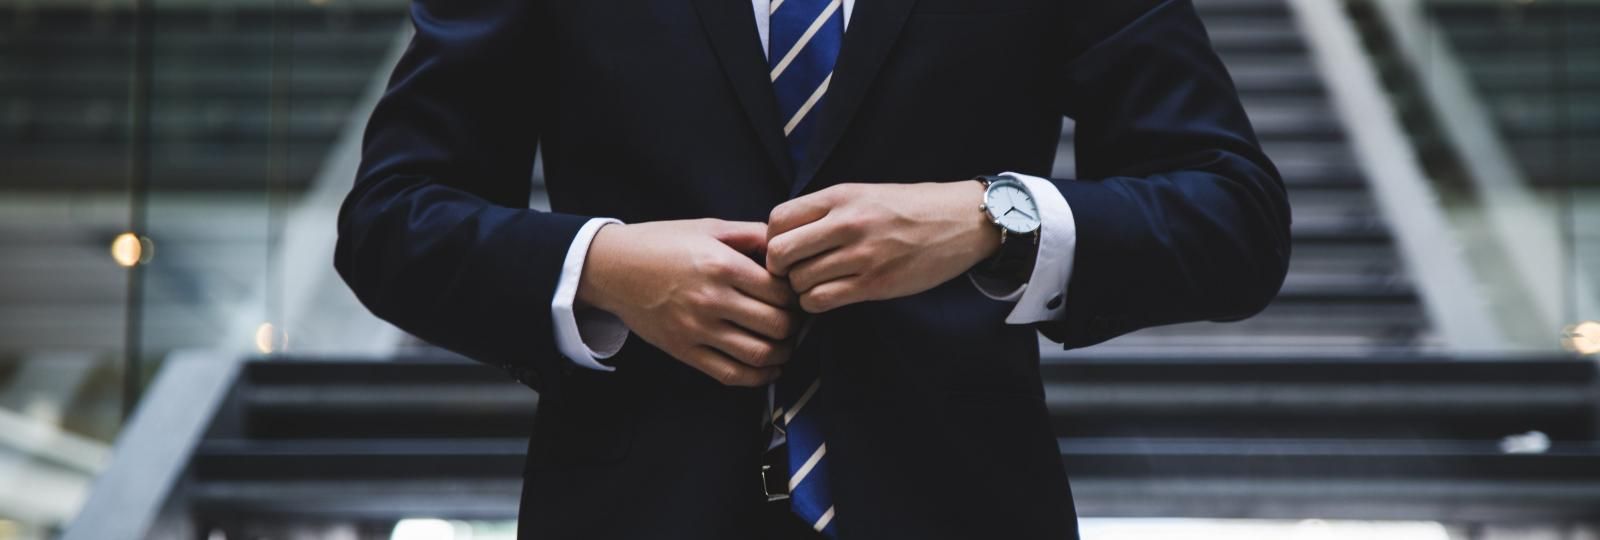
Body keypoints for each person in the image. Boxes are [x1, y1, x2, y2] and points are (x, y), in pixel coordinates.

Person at [335, 0, 1290, 538]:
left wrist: (994, 216)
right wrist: (601, 266)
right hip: (634, 513)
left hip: (962, 510)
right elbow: (391, 218)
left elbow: (1234, 212)